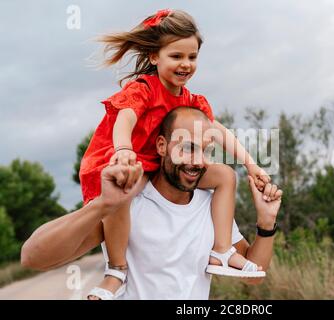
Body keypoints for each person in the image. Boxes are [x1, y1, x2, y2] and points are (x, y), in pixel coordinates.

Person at [77, 9, 273, 299]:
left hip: (159, 162)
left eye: (192, 57)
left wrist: (251, 164)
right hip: (126, 158)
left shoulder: (190, 100)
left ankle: (221, 250)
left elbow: (218, 131)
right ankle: (116, 269)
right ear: (155, 57)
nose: (186, 64)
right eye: (176, 56)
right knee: (121, 193)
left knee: (224, 175)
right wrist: (123, 150)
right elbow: (125, 121)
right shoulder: (143, 89)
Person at [21, 107, 282, 299]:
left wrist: (266, 223)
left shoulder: (212, 207)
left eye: (205, 150)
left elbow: (252, 276)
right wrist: (102, 205)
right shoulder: (126, 203)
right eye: (188, 148)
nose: (198, 161)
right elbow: (32, 257)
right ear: (161, 145)